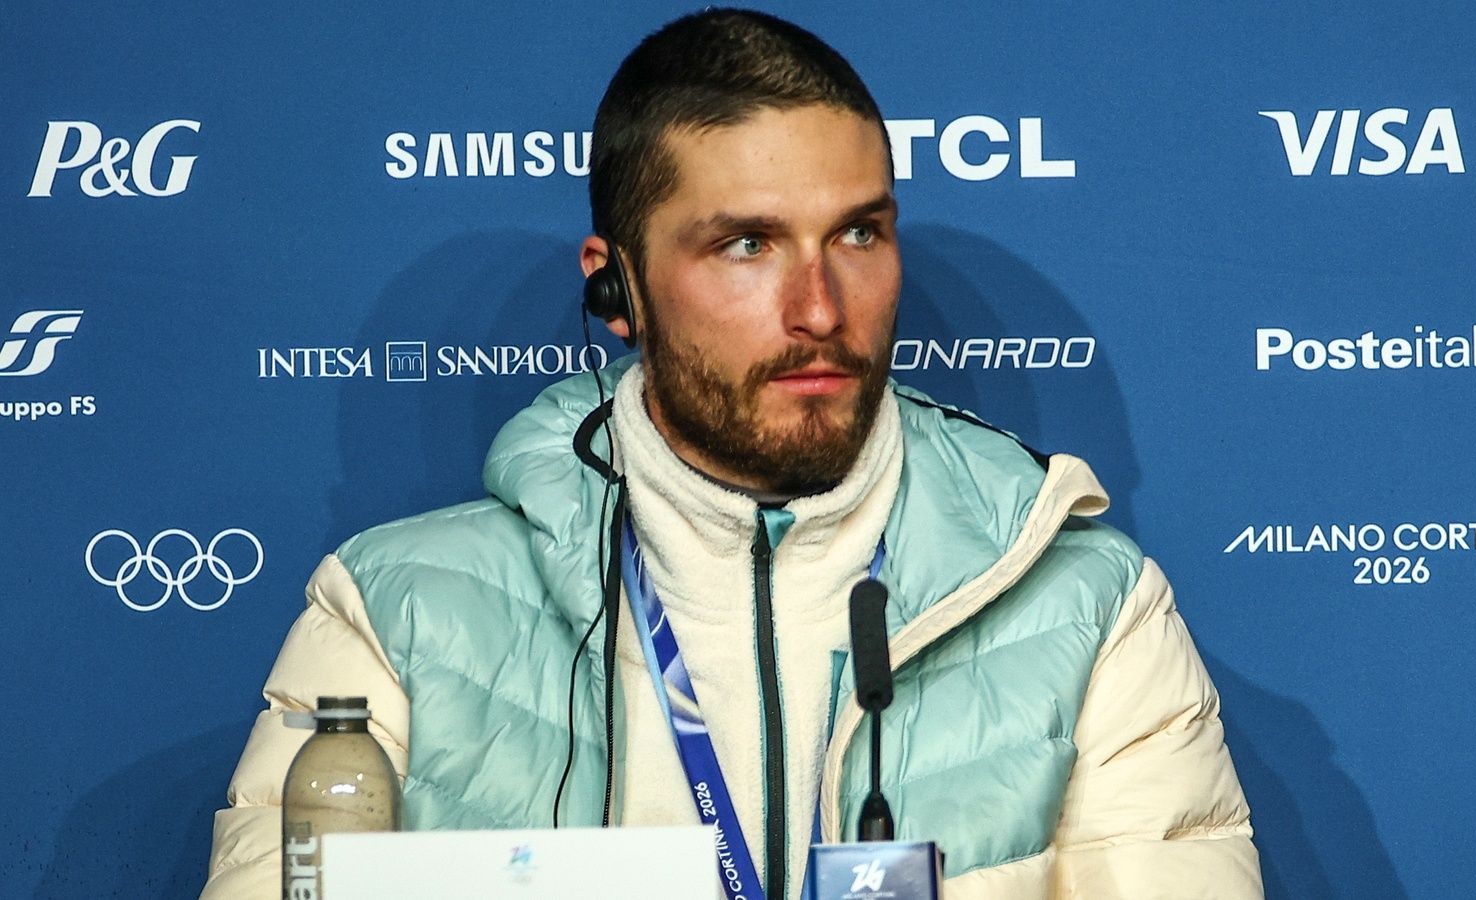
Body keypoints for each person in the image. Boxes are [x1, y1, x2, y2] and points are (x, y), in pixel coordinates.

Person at [202, 9, 1262, 899]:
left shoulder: (1086, 606)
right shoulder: (393, 615)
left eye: (858, 234)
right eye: (746, 244)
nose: (820, 310)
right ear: (617, 287)